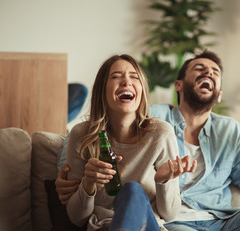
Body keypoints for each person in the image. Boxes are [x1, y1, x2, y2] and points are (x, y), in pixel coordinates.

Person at [57, 50, 240, 230]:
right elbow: (86, 135)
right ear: (178, 85)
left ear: (218, 94)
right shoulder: (151, 118)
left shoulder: (231, 132)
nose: (208, 73)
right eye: (199, 69)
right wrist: (66, 177)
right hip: (176, 221)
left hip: (226, 221)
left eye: (215, 73)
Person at [64, 54, 196, 231]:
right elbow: (76, 218)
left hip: (147, 226)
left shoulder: (161, 134)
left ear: (141, 90)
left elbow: (170, 214)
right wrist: (87, 183)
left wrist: (162, 181)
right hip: (103, 227)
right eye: (116, 76)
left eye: (134, 77)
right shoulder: (82, 135)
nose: (126, 82)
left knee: (132, 191)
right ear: (102, 89)